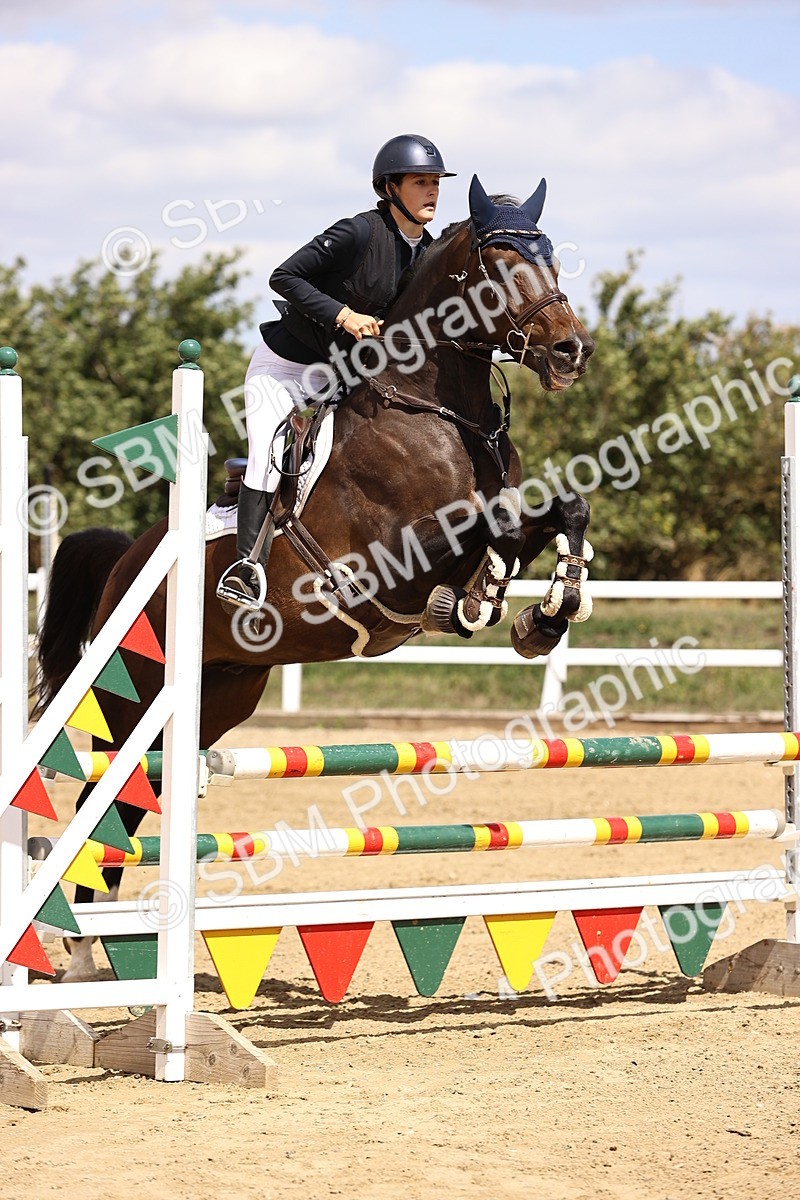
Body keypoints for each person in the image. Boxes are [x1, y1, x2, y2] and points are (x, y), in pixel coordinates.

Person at [216, 133, 455, 611]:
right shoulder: (358, 233)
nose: (432, 191)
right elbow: (283, 276)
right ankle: (246, 568)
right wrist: (343, 315)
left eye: (435, 182)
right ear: (390, 188)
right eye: (420, 182)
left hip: (342, 372)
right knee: (266, 452)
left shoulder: (424, 253)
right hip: (285, 366)